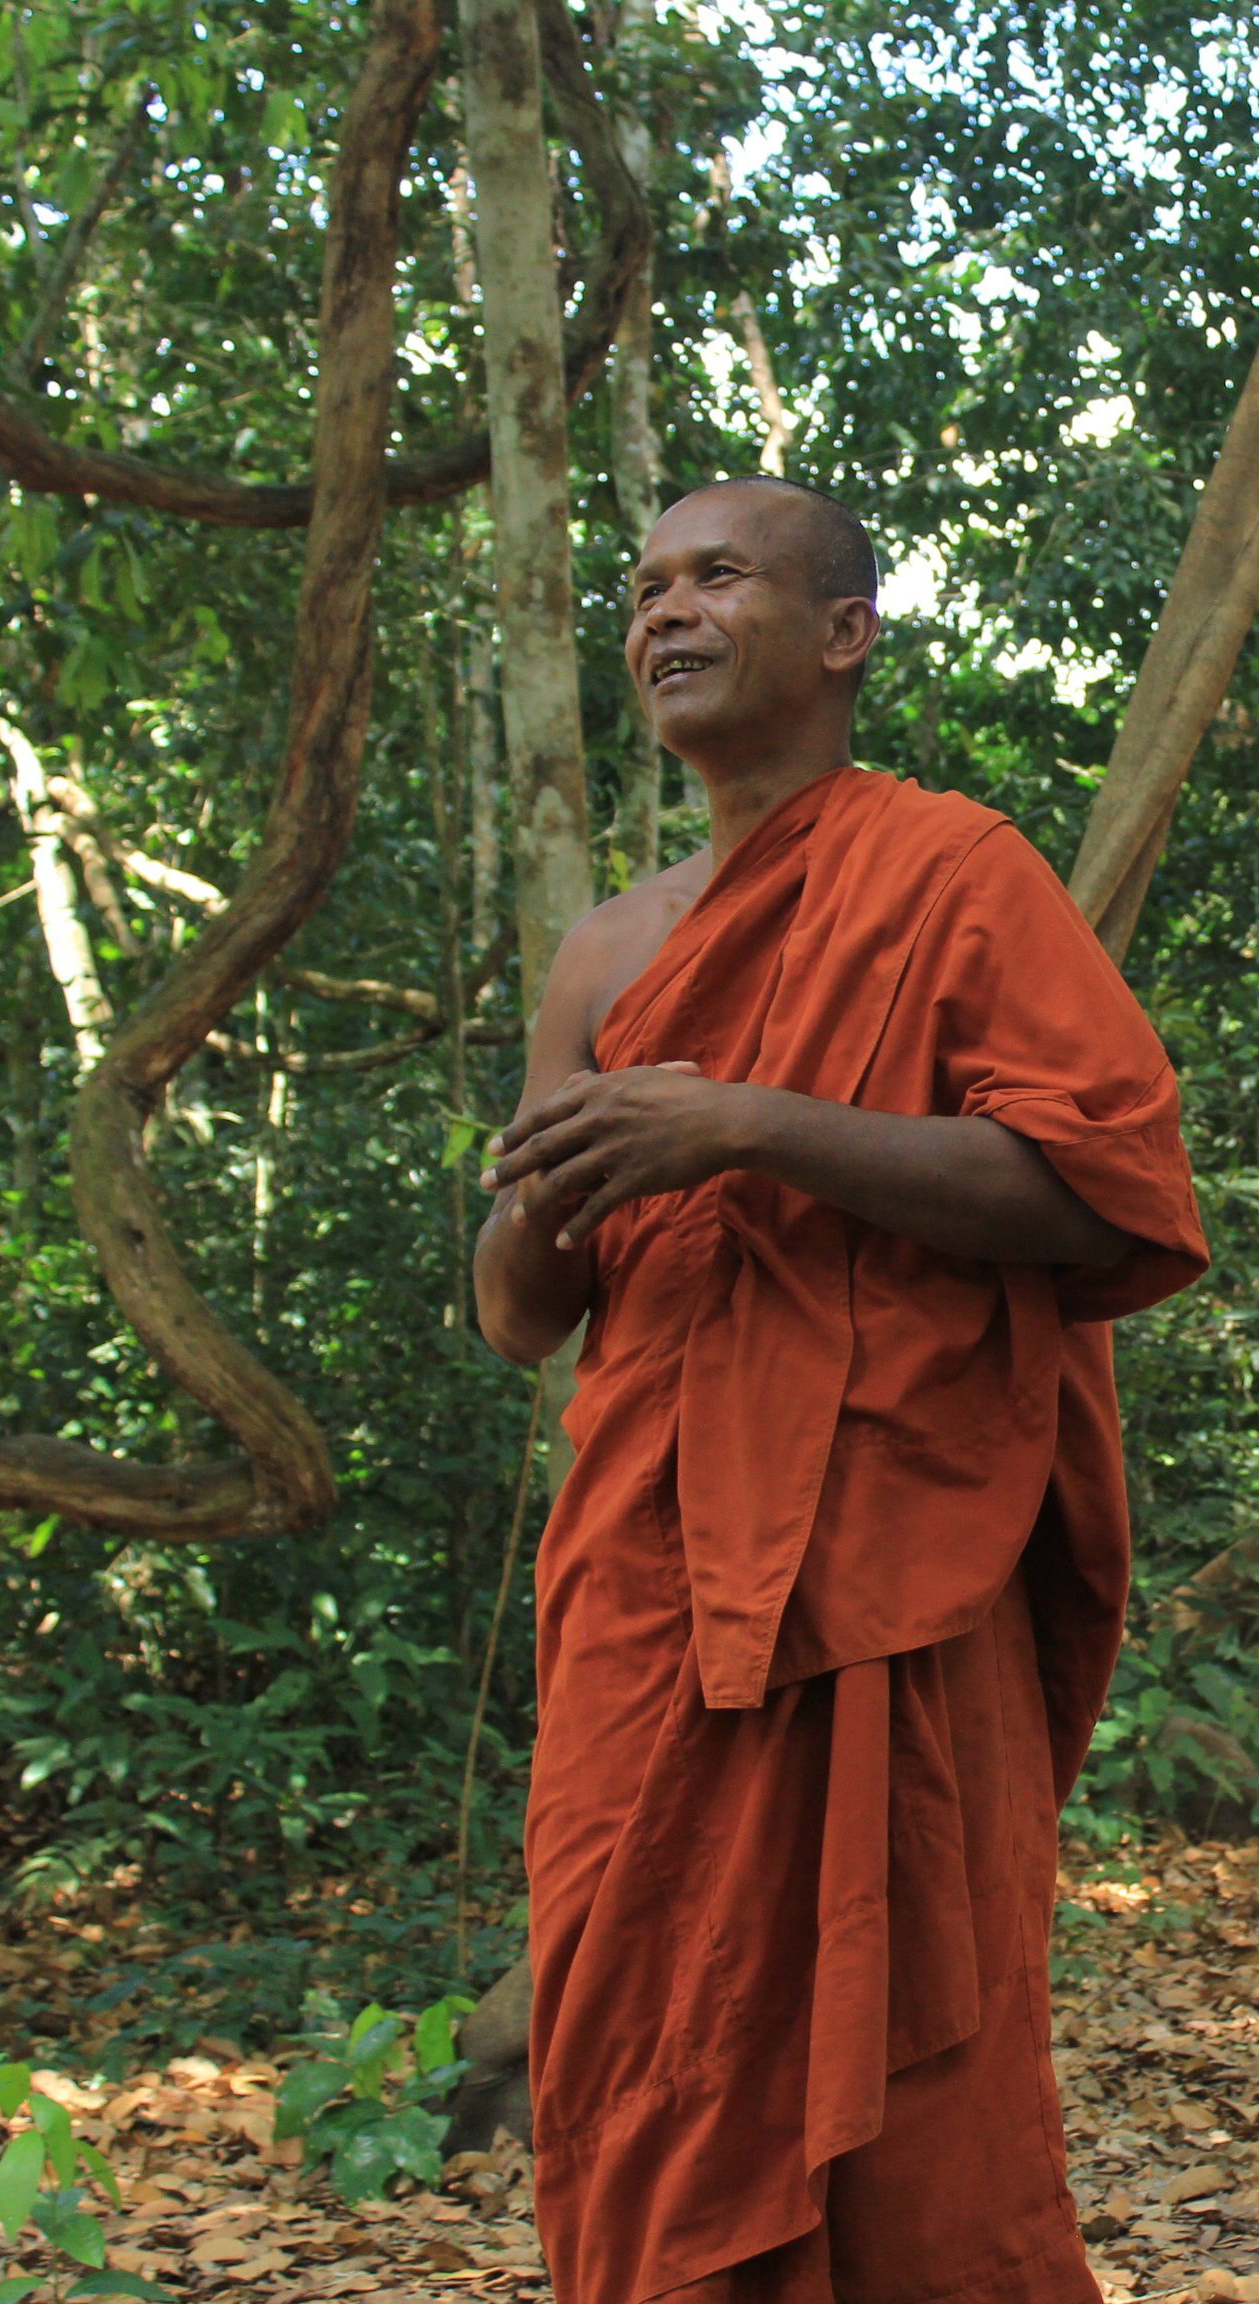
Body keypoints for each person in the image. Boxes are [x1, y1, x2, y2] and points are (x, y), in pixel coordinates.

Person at [472, 475, 1209, 2304]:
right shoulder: (610, 949)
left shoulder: (957, 875)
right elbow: (515, 1313)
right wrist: (554, 1192)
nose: (664, 611)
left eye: (718, 575)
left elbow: (1102, 1190)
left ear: (844, 633)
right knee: (640, 2044)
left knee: (919, 2082)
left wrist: (748, 1124)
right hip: (645, 1576)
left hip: (881, 1567)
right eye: (645, 586)